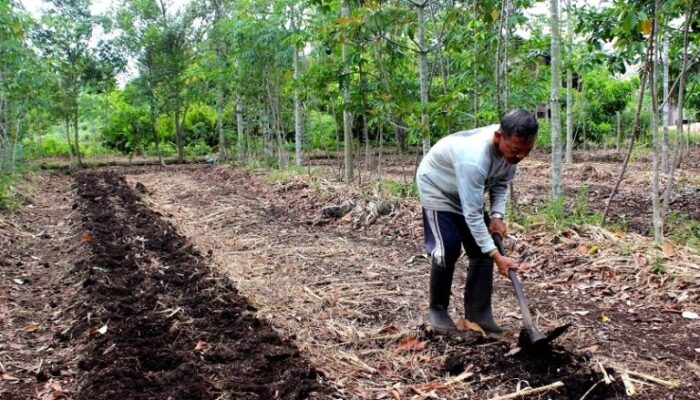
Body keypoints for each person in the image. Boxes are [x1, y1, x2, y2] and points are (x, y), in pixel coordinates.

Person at [416, 109, 538, 334]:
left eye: (527, 151)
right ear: (499, 137)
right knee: (448, 248)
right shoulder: (475, 158)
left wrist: (497, 216)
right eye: (516, 150)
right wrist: (497, 256)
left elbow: (501, 185)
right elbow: (472, 215)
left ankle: (478, 314)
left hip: (467, 191)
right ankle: (438, 311)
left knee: (480, 251)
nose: (520, 156)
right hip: (438, 189)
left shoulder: (511, 154)